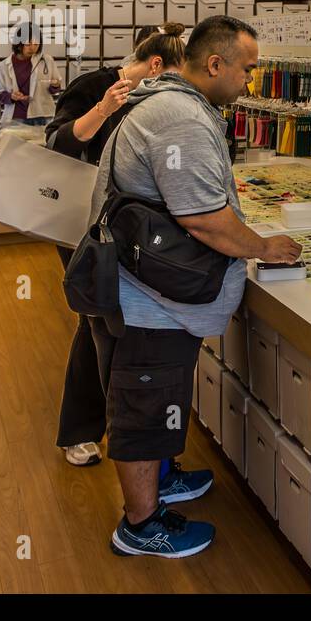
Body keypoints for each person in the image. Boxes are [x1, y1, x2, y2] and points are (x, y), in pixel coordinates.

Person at [88, 15, 302, 558]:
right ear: (215, 64)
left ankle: (159, 481)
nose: (250, 82)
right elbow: (204, 218)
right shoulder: (180, 118)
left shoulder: (165, 102)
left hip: (146, 289)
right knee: (143, 405)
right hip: (148, 302)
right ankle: (141, 525)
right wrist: (263, 247)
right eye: (247, 70)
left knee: (160, 396)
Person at [46, 23, 186, 468]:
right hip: (84, 224)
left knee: (114, 325)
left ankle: (128, 437)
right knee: (96, 322)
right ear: (156, 65)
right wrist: (104, 109)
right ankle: (86, 431)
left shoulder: (152, 100)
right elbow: (59, 142)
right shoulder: (94, 86)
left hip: (130, 227)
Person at [0, 22, 62, 126]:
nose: (32, 48)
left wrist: (55, 85)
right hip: (16, 117)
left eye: (36, 44)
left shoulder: (47, 60)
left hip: (42, 115)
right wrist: (12, 96)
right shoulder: (4, 65)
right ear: (18, 44)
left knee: (42, 142)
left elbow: (54, 89)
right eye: (28, 44)